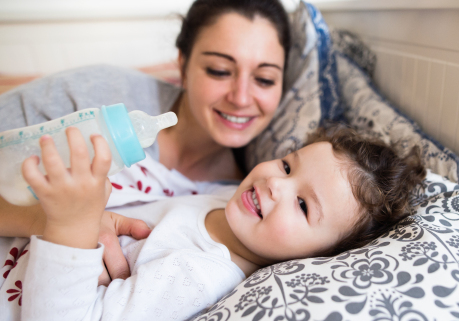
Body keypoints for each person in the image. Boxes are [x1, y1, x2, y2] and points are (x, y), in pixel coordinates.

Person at [0, 124, 426, 321]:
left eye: (302, 205)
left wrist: (73, 226)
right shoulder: (229, 201)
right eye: (286, 164)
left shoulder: (196, 276)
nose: (275, 185)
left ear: (315, 259)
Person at [0, 0, 292, 285]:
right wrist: (61, 222)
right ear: (183, 64)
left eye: (265, 79)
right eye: (219, 70)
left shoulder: (246, 203)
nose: (241, 98)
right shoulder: (100, 98)